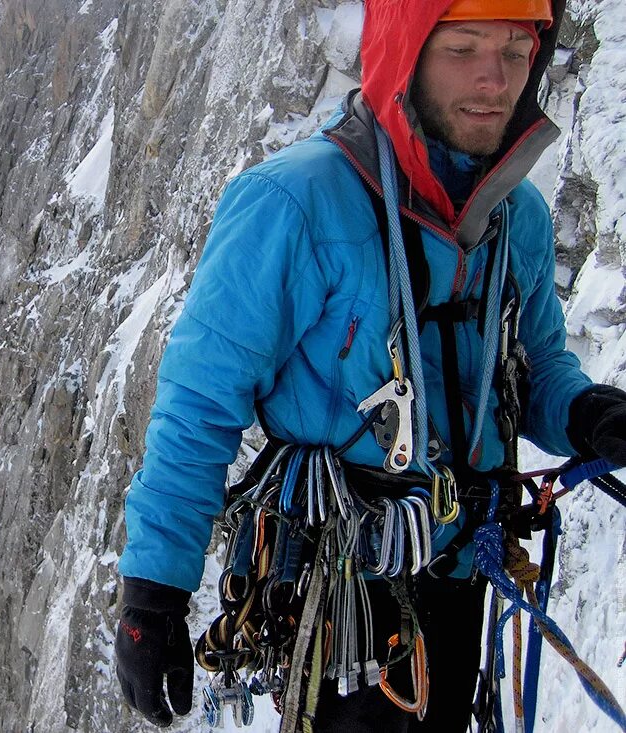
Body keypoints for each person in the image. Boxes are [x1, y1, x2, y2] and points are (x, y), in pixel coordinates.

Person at [114, 0, 626, 730]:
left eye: (516, 51)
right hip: (339, 604)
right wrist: (152, 592)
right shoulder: (293, 205)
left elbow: (534, 368)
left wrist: (583, 412)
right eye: (463, 49)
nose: (493, 79)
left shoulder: (520, 220)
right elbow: (201, 403)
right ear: (407, 52)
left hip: (458, 575)